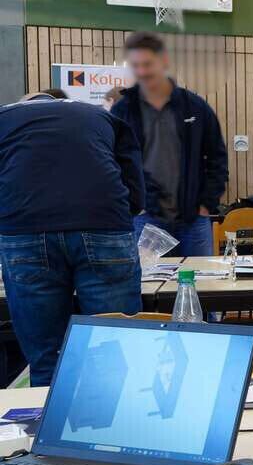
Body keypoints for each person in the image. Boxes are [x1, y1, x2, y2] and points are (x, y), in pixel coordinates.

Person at [0, 90, 145, 386]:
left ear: (24, 102)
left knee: (46, 356)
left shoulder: (4, 118)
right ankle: (118, 428)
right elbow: (135, 187)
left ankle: (48, 428)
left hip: (25, 229)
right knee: (114, 348)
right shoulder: (101, 116)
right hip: (103, 224)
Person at [110, 32, 228, 257]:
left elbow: (217, 158)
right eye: (136, 65)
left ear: (164, 61)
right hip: (145, 219)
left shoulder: (195, 107)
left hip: (194, 221)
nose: (142, 71)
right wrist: (132, 204)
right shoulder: (122, 111)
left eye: (147, 64)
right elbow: (111, 162)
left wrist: (206, 204)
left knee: (201, 286)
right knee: (149, 287)